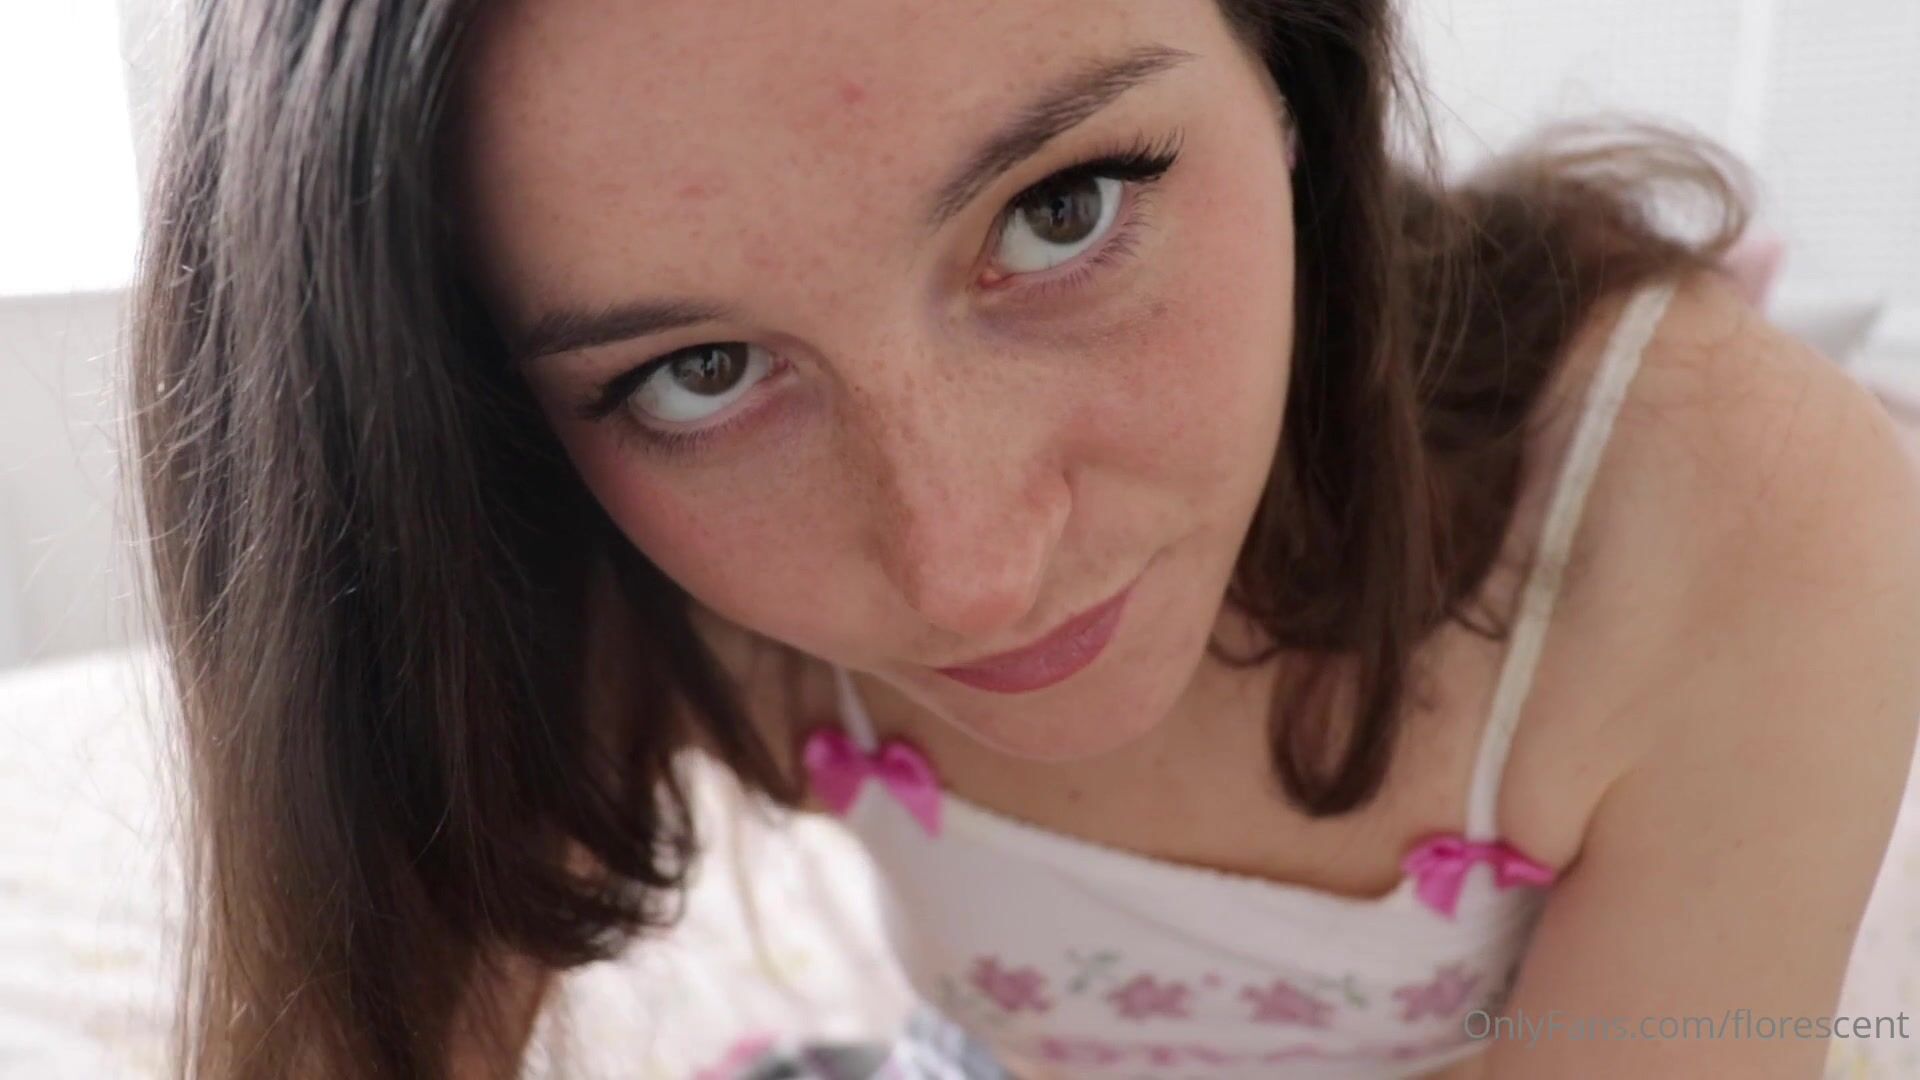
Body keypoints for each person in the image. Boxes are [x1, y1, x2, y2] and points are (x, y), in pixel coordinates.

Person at [127, 0, 1920, 1077]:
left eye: (1063, 209)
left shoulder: (1739, 507)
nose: (969, 573)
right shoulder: (561, 528)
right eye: (699, 373)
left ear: (1293, 66)